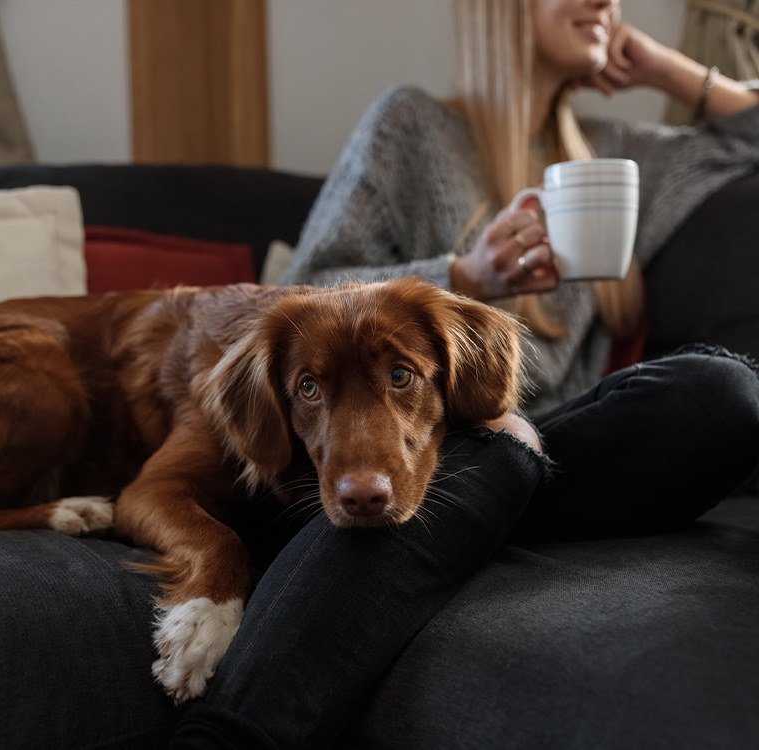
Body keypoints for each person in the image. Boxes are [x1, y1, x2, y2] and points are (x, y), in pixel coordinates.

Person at [170, 1, 759, 747]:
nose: (601, 2)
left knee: (724, 397)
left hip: (550, 450)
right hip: (396, 449)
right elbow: (307, 292)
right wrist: (465, 276)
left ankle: (497, 478)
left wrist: (669, 69)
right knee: (499, 446)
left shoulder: (619, 150)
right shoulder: (411, 125)